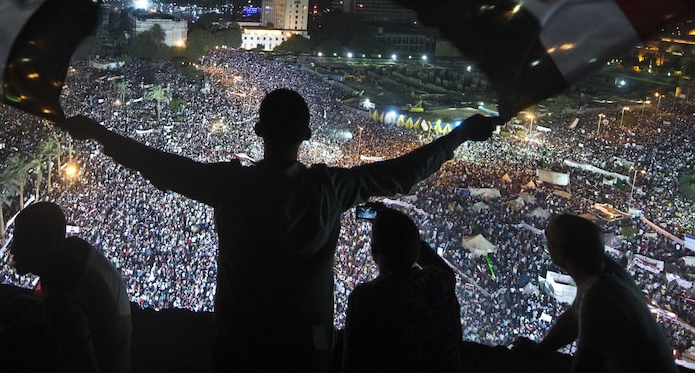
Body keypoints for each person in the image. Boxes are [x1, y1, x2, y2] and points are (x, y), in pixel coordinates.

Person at [63, 87, 499, 373]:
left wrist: (99, 132)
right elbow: (402, 173)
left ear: (258, 131)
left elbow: (160, 165)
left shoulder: (230, 186)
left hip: (238, 345)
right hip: (305, 354)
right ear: (306, 134)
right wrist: (459, 134)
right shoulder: (329, 189)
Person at [465, 213, 679, 373]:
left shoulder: (598, 297)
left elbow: (585, 365)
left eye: (548, 240)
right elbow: (573, 318)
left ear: (560, 252)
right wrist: (540, 351)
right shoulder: (610, 272)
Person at [0, 201, 132, 373]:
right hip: (108, 346)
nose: (13, 250)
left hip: (105, 363)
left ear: (48, 242)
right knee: (18, 308)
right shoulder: (68, 252)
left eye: (23, 241)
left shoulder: (67, 296)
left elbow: (84, 364)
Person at [341, 203, 462, 373]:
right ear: (415, 247)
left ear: (373, 251)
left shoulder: (366, 298)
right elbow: (444, 270)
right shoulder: (440, 282)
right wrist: (399, 231)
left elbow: (352, 365)